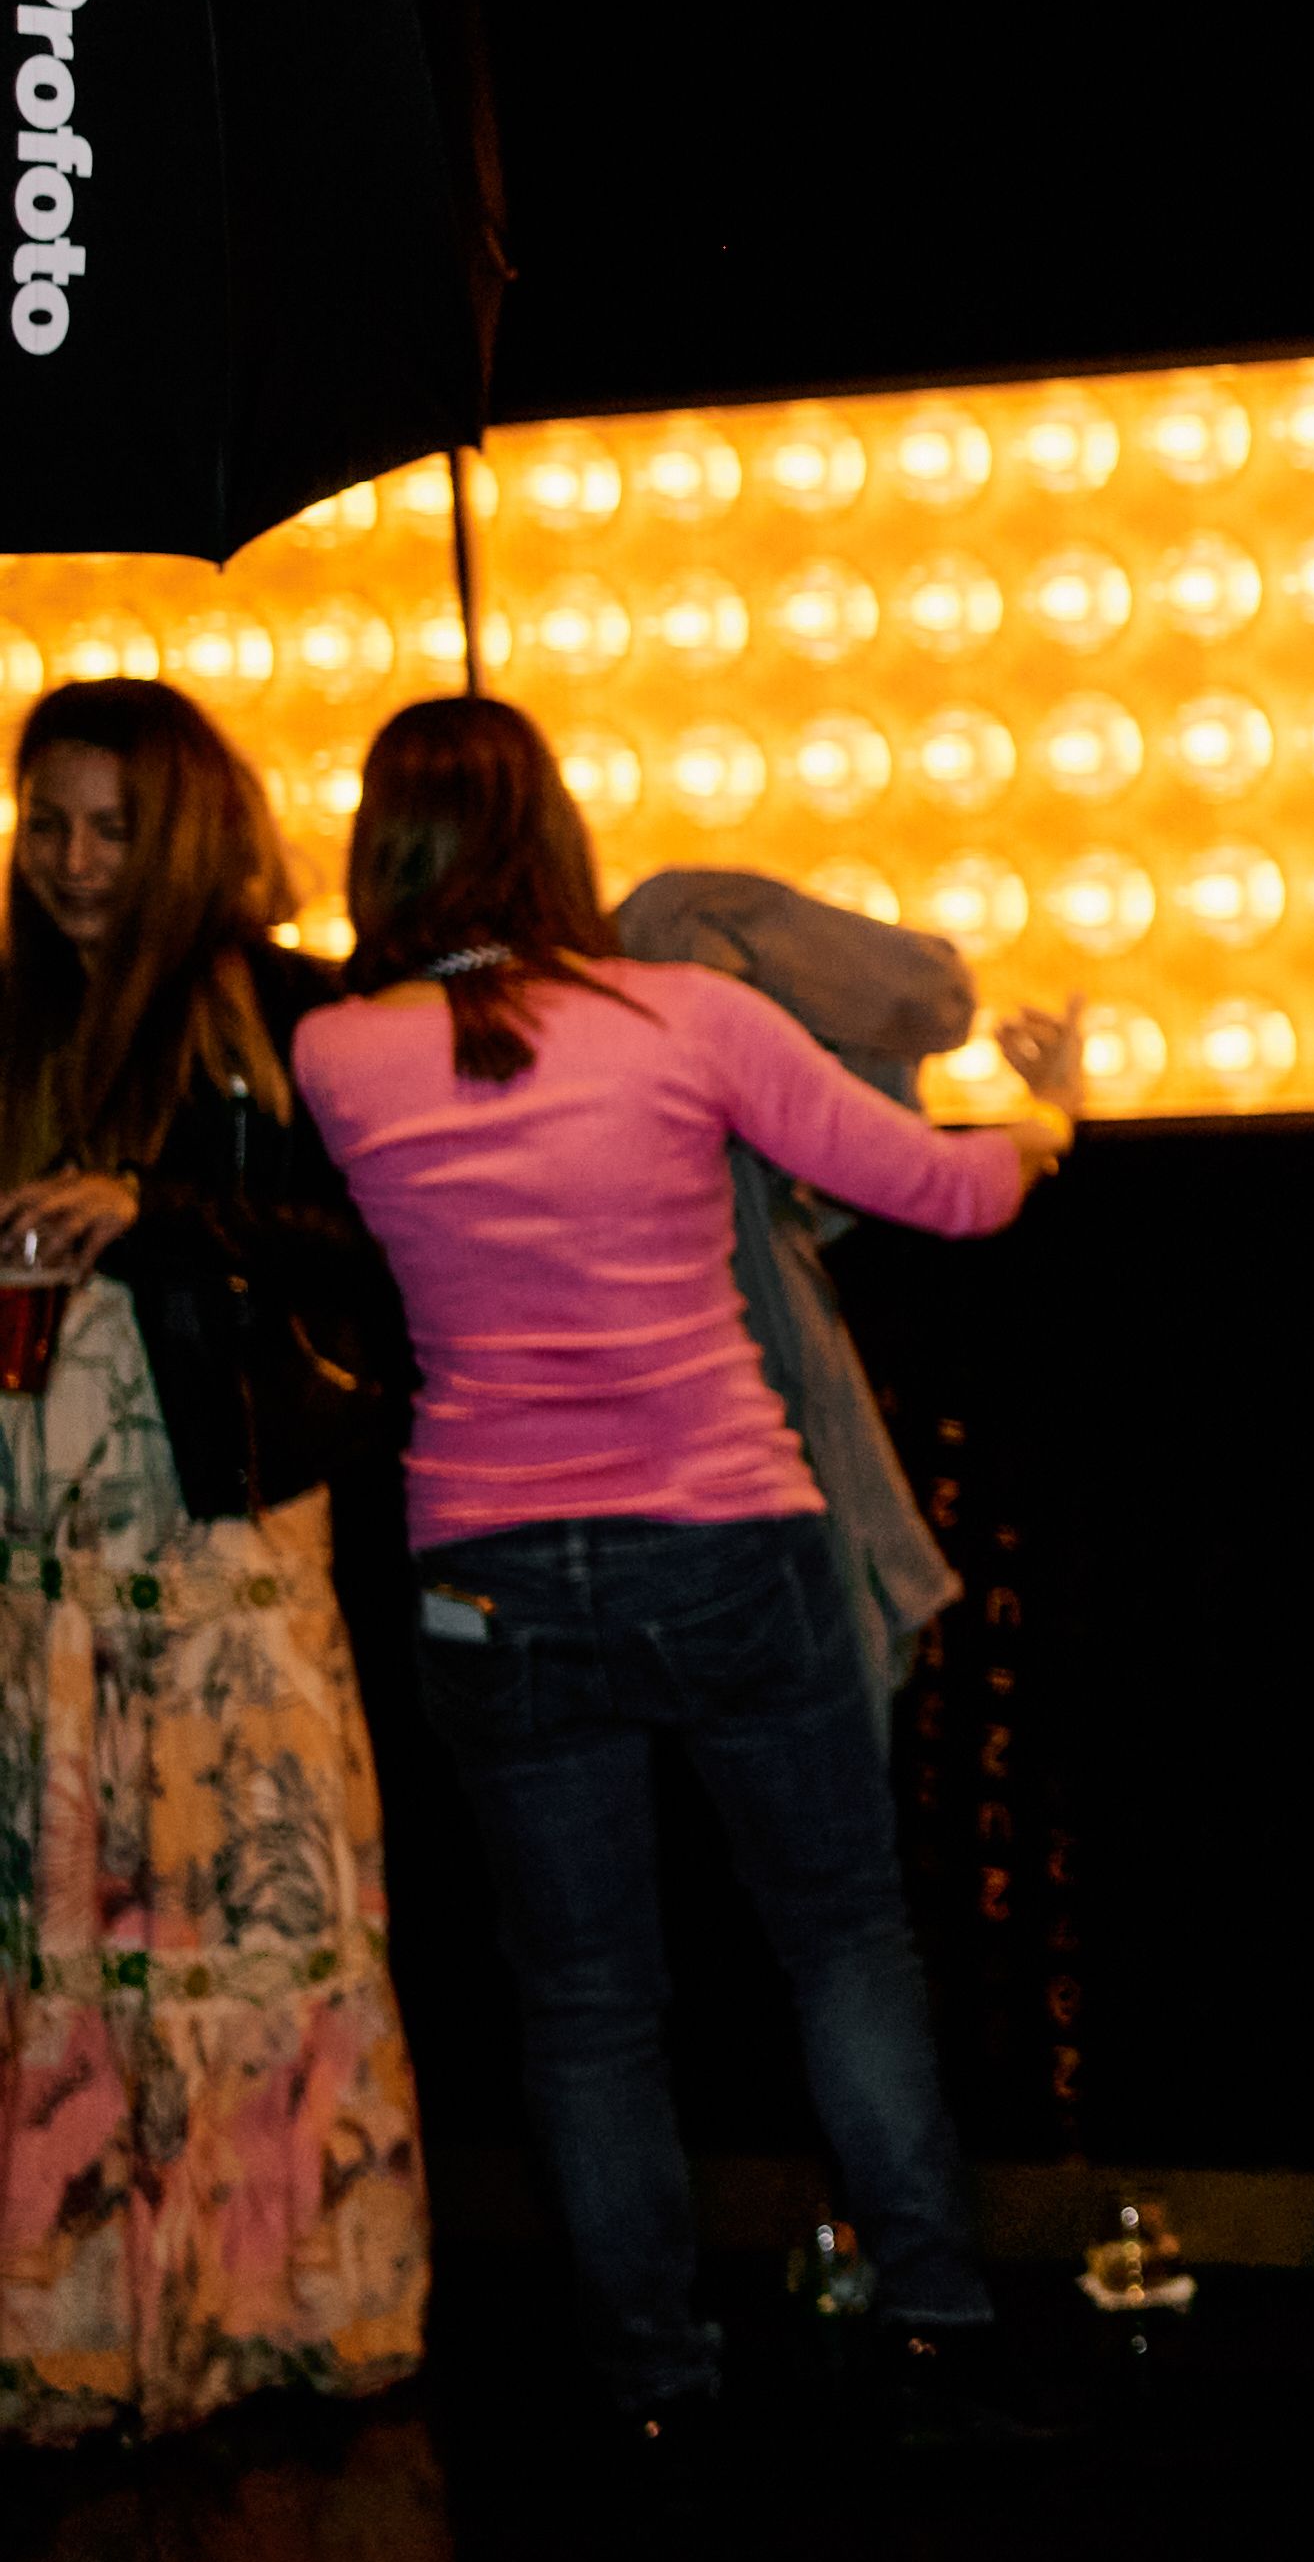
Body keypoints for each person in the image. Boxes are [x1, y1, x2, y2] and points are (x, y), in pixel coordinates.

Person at [293, 701, 1081, 2436]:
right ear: (558, 836)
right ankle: (937, 2310)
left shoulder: (338, 1056)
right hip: (723, 1534)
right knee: (842, 1944)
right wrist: (1046, 1125)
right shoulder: (685, 1015)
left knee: (584, 2006)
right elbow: (940, 1194)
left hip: (485, 1570)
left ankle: (650, 2376)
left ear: (383, 850)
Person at [0, 683, 426, 2441]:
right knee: (64, 1937)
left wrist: (155, 1210)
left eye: (113, 826)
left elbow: (382, 1261)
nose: (80, 863)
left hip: (224, 1551)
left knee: (248, 1927)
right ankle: (84, 2325)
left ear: (180, 827)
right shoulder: (10, 1011)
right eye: (50, 823)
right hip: (40, 1558)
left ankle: (266, 2314)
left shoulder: (285, 1015)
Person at [610, 867, 992, 1719]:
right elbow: (949, 1177)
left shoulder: (388, 1045)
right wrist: (1052, 1118)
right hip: (748, 1490)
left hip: (528, 1527)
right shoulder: (684, 962)